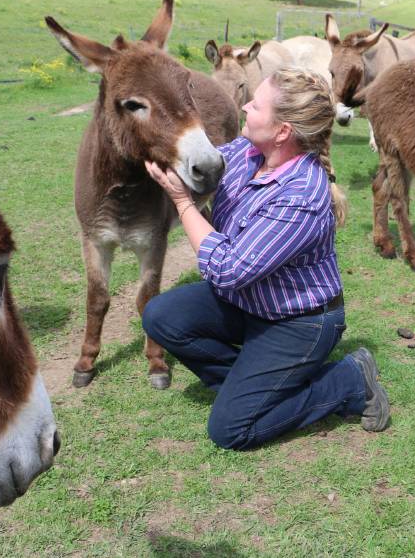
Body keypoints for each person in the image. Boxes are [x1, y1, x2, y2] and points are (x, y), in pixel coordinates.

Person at [142, 67, 389, 451]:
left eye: (255, 105)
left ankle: (347, 382)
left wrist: (181, 202)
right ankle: (250, 388)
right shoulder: (246, 152)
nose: (244, 106)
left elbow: (226, 270)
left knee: (230, 431)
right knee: (161, 316)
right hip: (250, 303)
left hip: (299, 324)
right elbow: (199, 166)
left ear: (282, 131)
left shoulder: (301, 195)